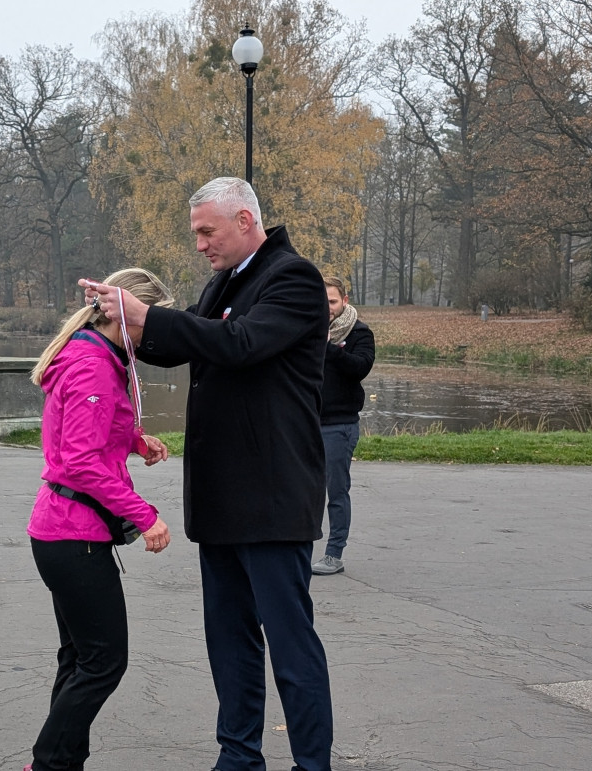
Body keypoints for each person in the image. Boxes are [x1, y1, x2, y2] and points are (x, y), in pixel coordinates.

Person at [83, 177, 334, 771]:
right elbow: (187, 344)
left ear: (245, 221)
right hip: (222, 498)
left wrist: (152, 316)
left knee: (291, 647)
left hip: (273, 500)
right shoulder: (226, 280)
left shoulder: (293, 278)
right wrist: (123, 322)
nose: (199, 244)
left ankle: (312, 765)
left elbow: (240, 343)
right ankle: (239, 757)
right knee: (229, 643)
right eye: (196, 232)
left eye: (207, 231)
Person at [24, 267, 175, 771]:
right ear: (125, 316)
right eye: (148, 321)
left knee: (80, 660)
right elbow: (82, 462)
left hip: (61, 530)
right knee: (104, 662)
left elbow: (81, 429)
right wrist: (145, 515)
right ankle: (48, 763)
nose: (151, 333)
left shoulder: (92, 352)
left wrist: (134, 439)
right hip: (74, 534)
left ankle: (61, 763)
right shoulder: (93, 363)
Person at [311, 277, 376, 576]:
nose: (327, 308)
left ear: (345, 300)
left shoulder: (360, 333)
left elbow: (360, 368)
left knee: (336, 491)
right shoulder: (307, 331)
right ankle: (299, 549)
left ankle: (334, 554)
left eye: (332, 302)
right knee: (303, 490)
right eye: (322, 302)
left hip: (340, 425)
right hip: (306, 423)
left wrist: (330, 348)